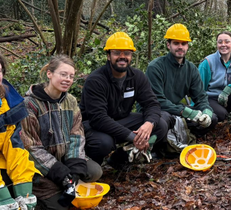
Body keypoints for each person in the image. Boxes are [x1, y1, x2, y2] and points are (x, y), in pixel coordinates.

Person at [80, 32, 174, 166]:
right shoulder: (96, 80)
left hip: (122, 120)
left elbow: (152, 104)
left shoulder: (137, 76)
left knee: (160, 124)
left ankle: (121, 158)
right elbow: (98, 118)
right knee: (104, 143)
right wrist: (133, 136)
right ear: (108, 56)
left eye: (127, 53)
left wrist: (148, 124)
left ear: (131, 56)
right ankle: (92, 165)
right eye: (117, 53)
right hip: (94, 126)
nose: (122, 57)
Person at [22, 55, 102, 209]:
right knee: (58, 205)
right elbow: (31, 148)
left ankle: (69, 182)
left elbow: (77, 135)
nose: (68, 79)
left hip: (65, 159)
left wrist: (75, 167)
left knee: (94, 171)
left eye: (71, 76)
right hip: (40, 165)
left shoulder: (70, 101)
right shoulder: (29, 104)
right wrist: (59, 172)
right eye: (63, 74)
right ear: (49, 74)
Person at [145, 24, 218, 136]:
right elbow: (157, 100)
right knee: (163, 122)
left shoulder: (191, 68)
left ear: (187, 46)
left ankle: (186, 139)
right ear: (168, 45)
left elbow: (200, 97)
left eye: (183, 43)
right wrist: (185, 112)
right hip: (157, 111)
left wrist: (206, 112)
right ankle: (162, 146)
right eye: (176, 43)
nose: (180, 47)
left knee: (212, 118)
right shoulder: (155, 67)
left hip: (177, 109)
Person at [0, 54, 37, 210]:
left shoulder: (7, 102)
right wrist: (2, 196)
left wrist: (25, 192)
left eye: (0, 71)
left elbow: (15, 147)